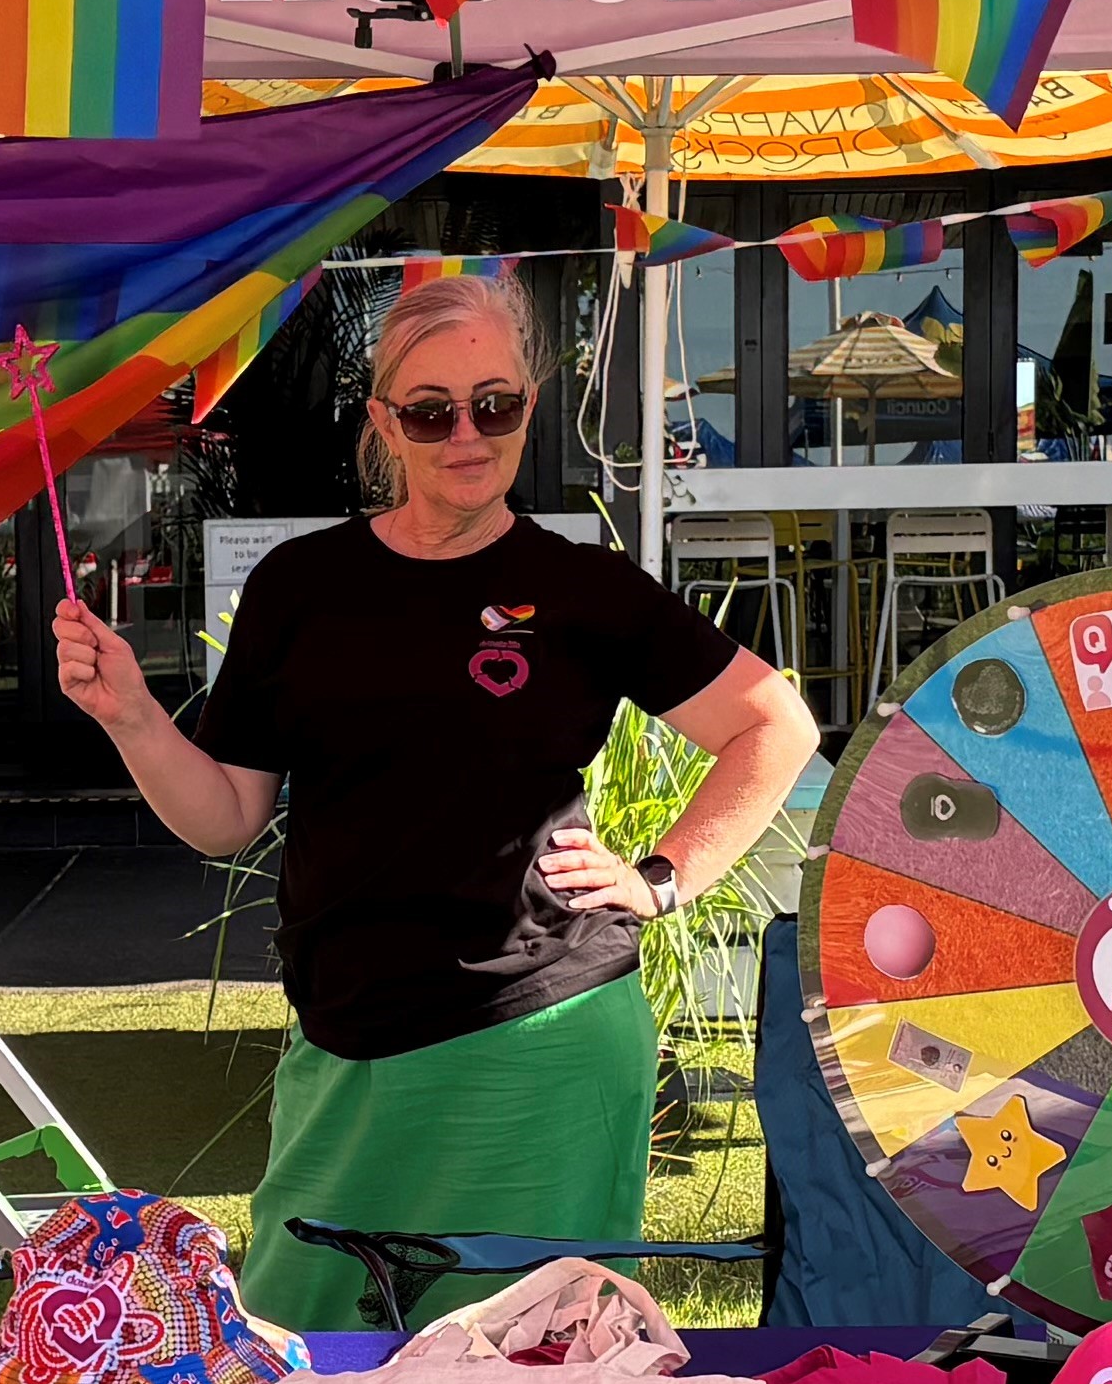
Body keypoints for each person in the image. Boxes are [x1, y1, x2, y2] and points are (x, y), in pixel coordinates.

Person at [54, 270, 819, 1330]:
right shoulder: (301, 587)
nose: (468, 433)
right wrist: (131, 717)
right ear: (385, 423)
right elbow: (228, 815)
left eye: (494, 403)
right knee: (299, 1371)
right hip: (346, 1045)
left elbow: (774, 724)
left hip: (542, 1040)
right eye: (431, 410)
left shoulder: (582, 588)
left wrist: (661, 878)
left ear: (528, 409)